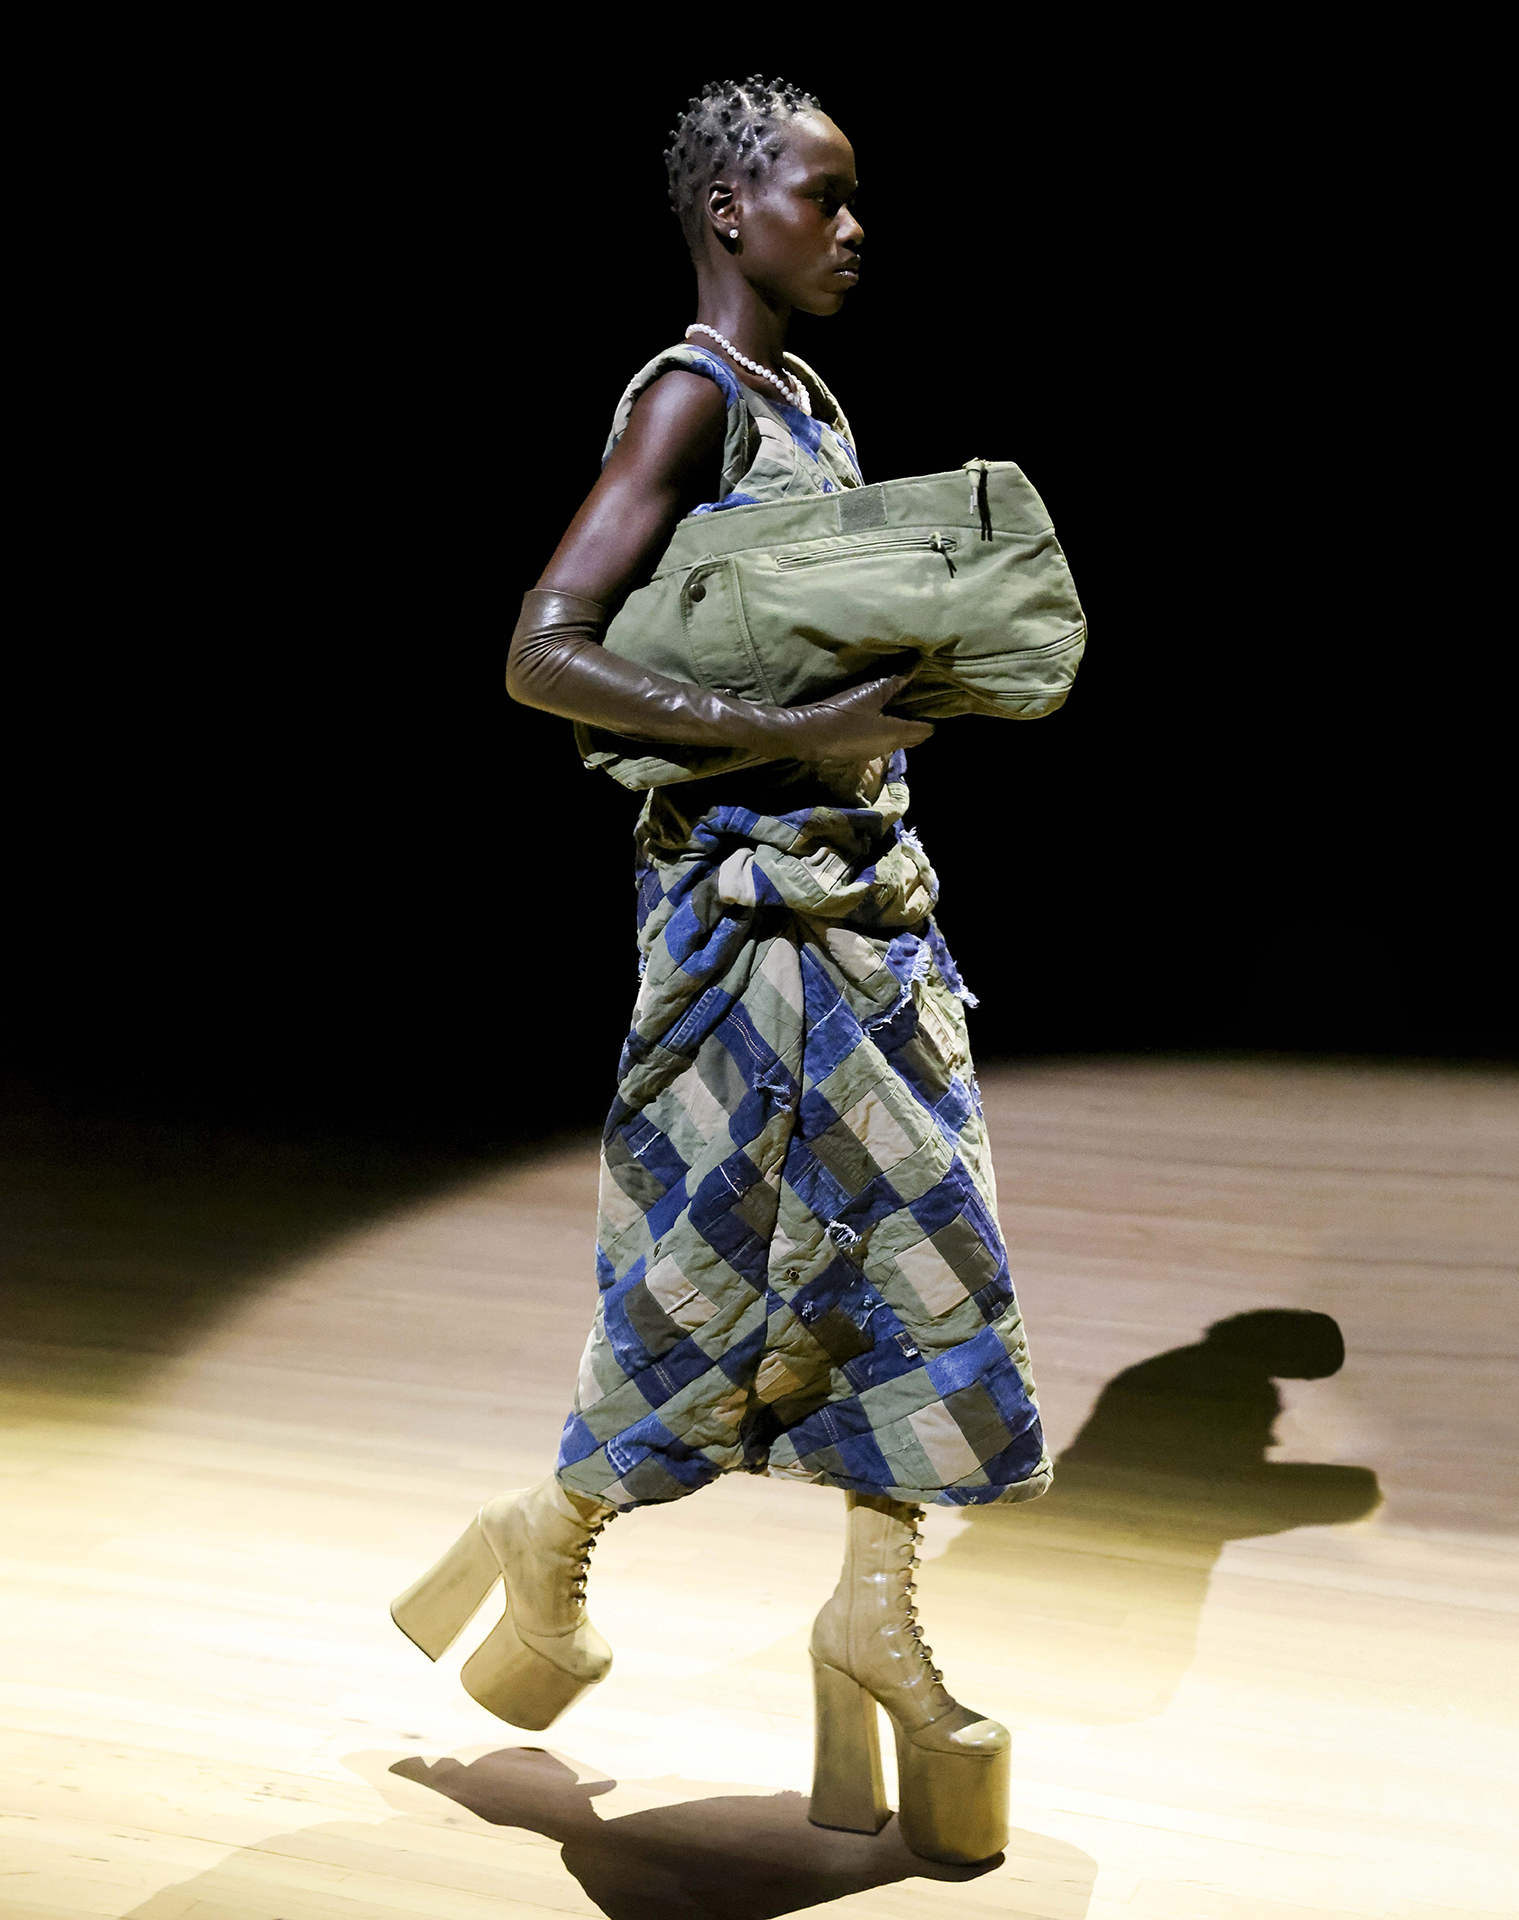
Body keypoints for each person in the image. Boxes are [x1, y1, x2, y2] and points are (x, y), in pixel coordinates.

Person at [392, 76, 1055, 1867]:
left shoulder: (811, 404)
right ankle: (553, 1534)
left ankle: (874, 1612)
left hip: (869, 907)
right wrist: (788, 729)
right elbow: (544, 650)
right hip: (743, 927)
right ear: (729, 212)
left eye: (852, 197)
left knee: (925, 1256)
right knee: (709, 1275)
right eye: (823, 196)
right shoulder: (688, 397)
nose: (853, 228)